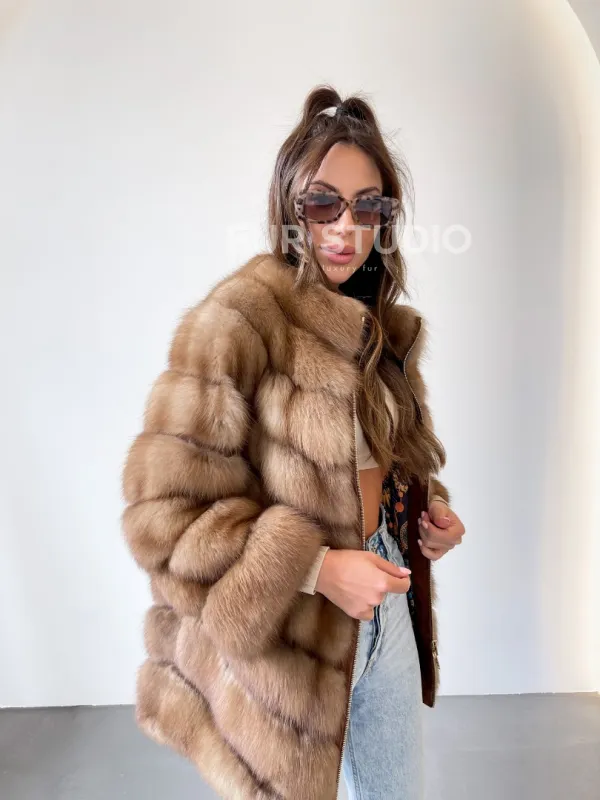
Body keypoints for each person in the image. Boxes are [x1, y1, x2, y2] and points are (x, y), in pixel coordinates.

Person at [121, 84, 465, 800]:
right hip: (291, 636)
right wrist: (315, 566)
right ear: (288, 205)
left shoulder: (378, 327)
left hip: (386, 602)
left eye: (368, 207)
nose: (345, 227)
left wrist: (423, 514)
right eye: (322, 203)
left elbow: (376, 460)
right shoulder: (238, 322)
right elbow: (162, 522)